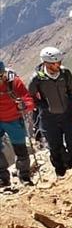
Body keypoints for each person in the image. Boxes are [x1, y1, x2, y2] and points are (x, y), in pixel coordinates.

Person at [28, 46, 72, 177]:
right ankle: (62, 173)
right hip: (48, 118)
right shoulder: (37, 79)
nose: (59, 65)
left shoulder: (65, 73)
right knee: (55, 147)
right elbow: (30, 96)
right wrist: (43, 105)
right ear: (46, 63)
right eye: (56, 63)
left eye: (59, 62)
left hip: (67, 114)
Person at [0, 59, 35, 189]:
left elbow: (29, 99)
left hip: (13, 119)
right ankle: (3, 178)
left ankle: (24, 176)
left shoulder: (14, 82)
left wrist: (24, 105)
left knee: (20, 148)